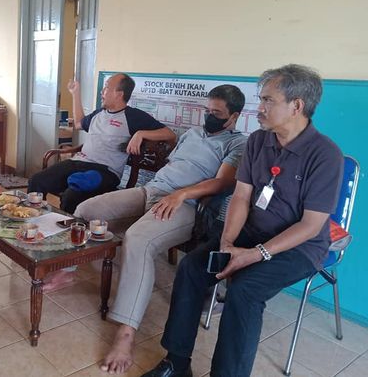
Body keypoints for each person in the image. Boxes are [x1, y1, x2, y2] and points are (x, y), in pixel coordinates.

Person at [141, 64, 343, 377]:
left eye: (267, 101)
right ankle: (176, 363)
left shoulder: (325, 155)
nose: (259, 108)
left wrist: (254, 255)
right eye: (260, 99)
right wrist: (227, 243)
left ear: (297, 106)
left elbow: (311, 226)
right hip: (252, 231)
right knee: (192, 268)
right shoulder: (259, 141)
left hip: (299, 247)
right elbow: (241, 196)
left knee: (245, 290)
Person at [70, 84, 248, 373]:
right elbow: (173, 164)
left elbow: (223, 183)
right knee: (86, 210)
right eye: (207, 110)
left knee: (137, 239)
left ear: (234, 116)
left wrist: (181, 194)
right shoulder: (192, 134)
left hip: (186, 205)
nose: (209, 117)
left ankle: (126, 334)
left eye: (217, 113)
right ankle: (66, 269)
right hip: (153, 190)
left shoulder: (238, 144)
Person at [28, 73, 175, 214]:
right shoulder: (99, 113)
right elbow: (78, 124)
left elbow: (170, 134)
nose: (102, 91)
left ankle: (68, 228)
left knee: (72, 196)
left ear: (119, 94)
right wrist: (75, 93)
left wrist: (140, 134)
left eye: (106, 88)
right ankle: (32, 217)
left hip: (105, 171)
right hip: (78, 162)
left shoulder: (133, 116)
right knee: (37, 181)